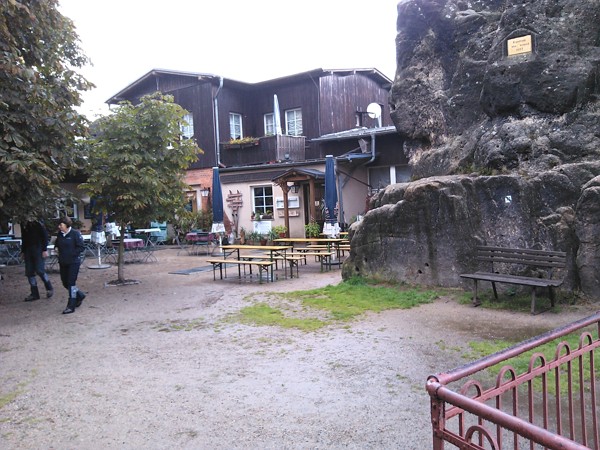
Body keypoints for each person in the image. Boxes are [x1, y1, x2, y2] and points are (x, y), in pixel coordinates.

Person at [55, 217, 86, 314]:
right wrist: (56, 249)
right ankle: (79, 295)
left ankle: (71, 305)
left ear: (67, 225)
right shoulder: (60, 234)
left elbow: (81, 247)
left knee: (71, 283)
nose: (59, 227)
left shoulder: (75, 234)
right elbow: (57, 244)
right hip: (63, 262)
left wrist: (71, 254)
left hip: (73, 262)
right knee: (65, 283)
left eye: (61, 225)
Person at [21, 220, 54, 301]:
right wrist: (23, 251)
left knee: (40, 270)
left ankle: (49, 287)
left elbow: (45, 236)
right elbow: (24, 238)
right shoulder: (24, 223)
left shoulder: (38, 223)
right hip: (28, 250)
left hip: (38, 249)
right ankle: (34, 293)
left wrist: (44, 249)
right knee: (29, 272)